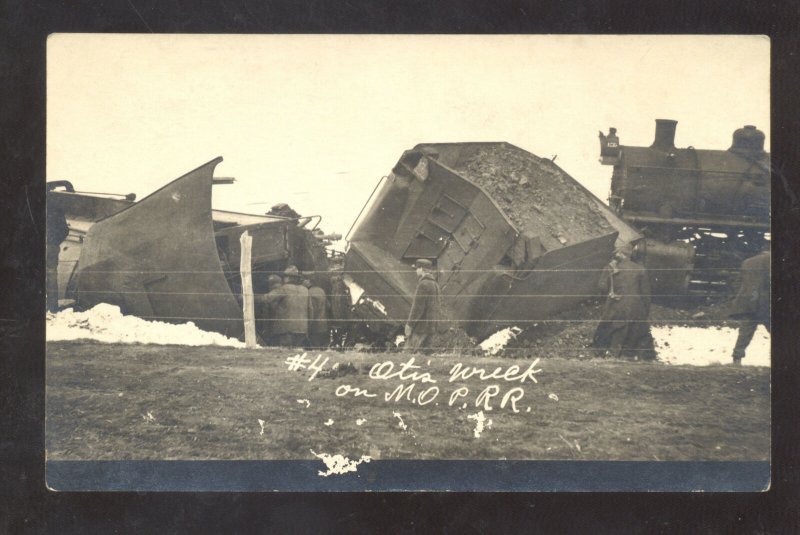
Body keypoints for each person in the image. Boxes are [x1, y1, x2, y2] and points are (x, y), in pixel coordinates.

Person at [591, 246, 656, 360]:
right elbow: (646, 296)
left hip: (616, 306)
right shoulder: (640, 270)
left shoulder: (610, 268)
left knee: (609, 331)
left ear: (620, 254)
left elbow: (602, 287)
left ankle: (609, 354)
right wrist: (644, 313)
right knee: (636, 335)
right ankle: (631, 356)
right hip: (636, 309)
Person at [728, 248, 770, 365]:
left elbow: (739, 282)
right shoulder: (771, 260)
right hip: (765, 302)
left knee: (746, 331)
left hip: (748, 302)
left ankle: (737, 358)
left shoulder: (747, 262)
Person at [257, 266, 309, 347]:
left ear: (287, 278)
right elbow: (311, 311)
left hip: (286, 330)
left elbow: (266, 298)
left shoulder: (284, 289)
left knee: (285, 352)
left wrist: (248, 296)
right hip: (302, 329)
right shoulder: (305, 290)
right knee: (296, 353)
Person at [404, 259, 441, 353]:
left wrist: (409, 325)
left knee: (407, 354)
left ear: (421, 269)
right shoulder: (435, 284)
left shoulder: (423, 284)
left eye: (417, 268)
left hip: (421, 327)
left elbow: (417, 308)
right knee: (425, 357)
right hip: (432, 327)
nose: (416, 271)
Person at [46, 191, 69, 313]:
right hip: (51, 247)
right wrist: (54, 242)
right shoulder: (56, 207)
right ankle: (52, 307)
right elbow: (65, 230)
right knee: (51, 276)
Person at [303, 278, 329, 349]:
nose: (302, 282)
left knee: (315, 348)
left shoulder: (308, 292)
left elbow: (311, 310)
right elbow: (328, 306)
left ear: (308, 281)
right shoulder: (321, 290)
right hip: (324, 324)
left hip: (314, 326)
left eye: (304, 279)